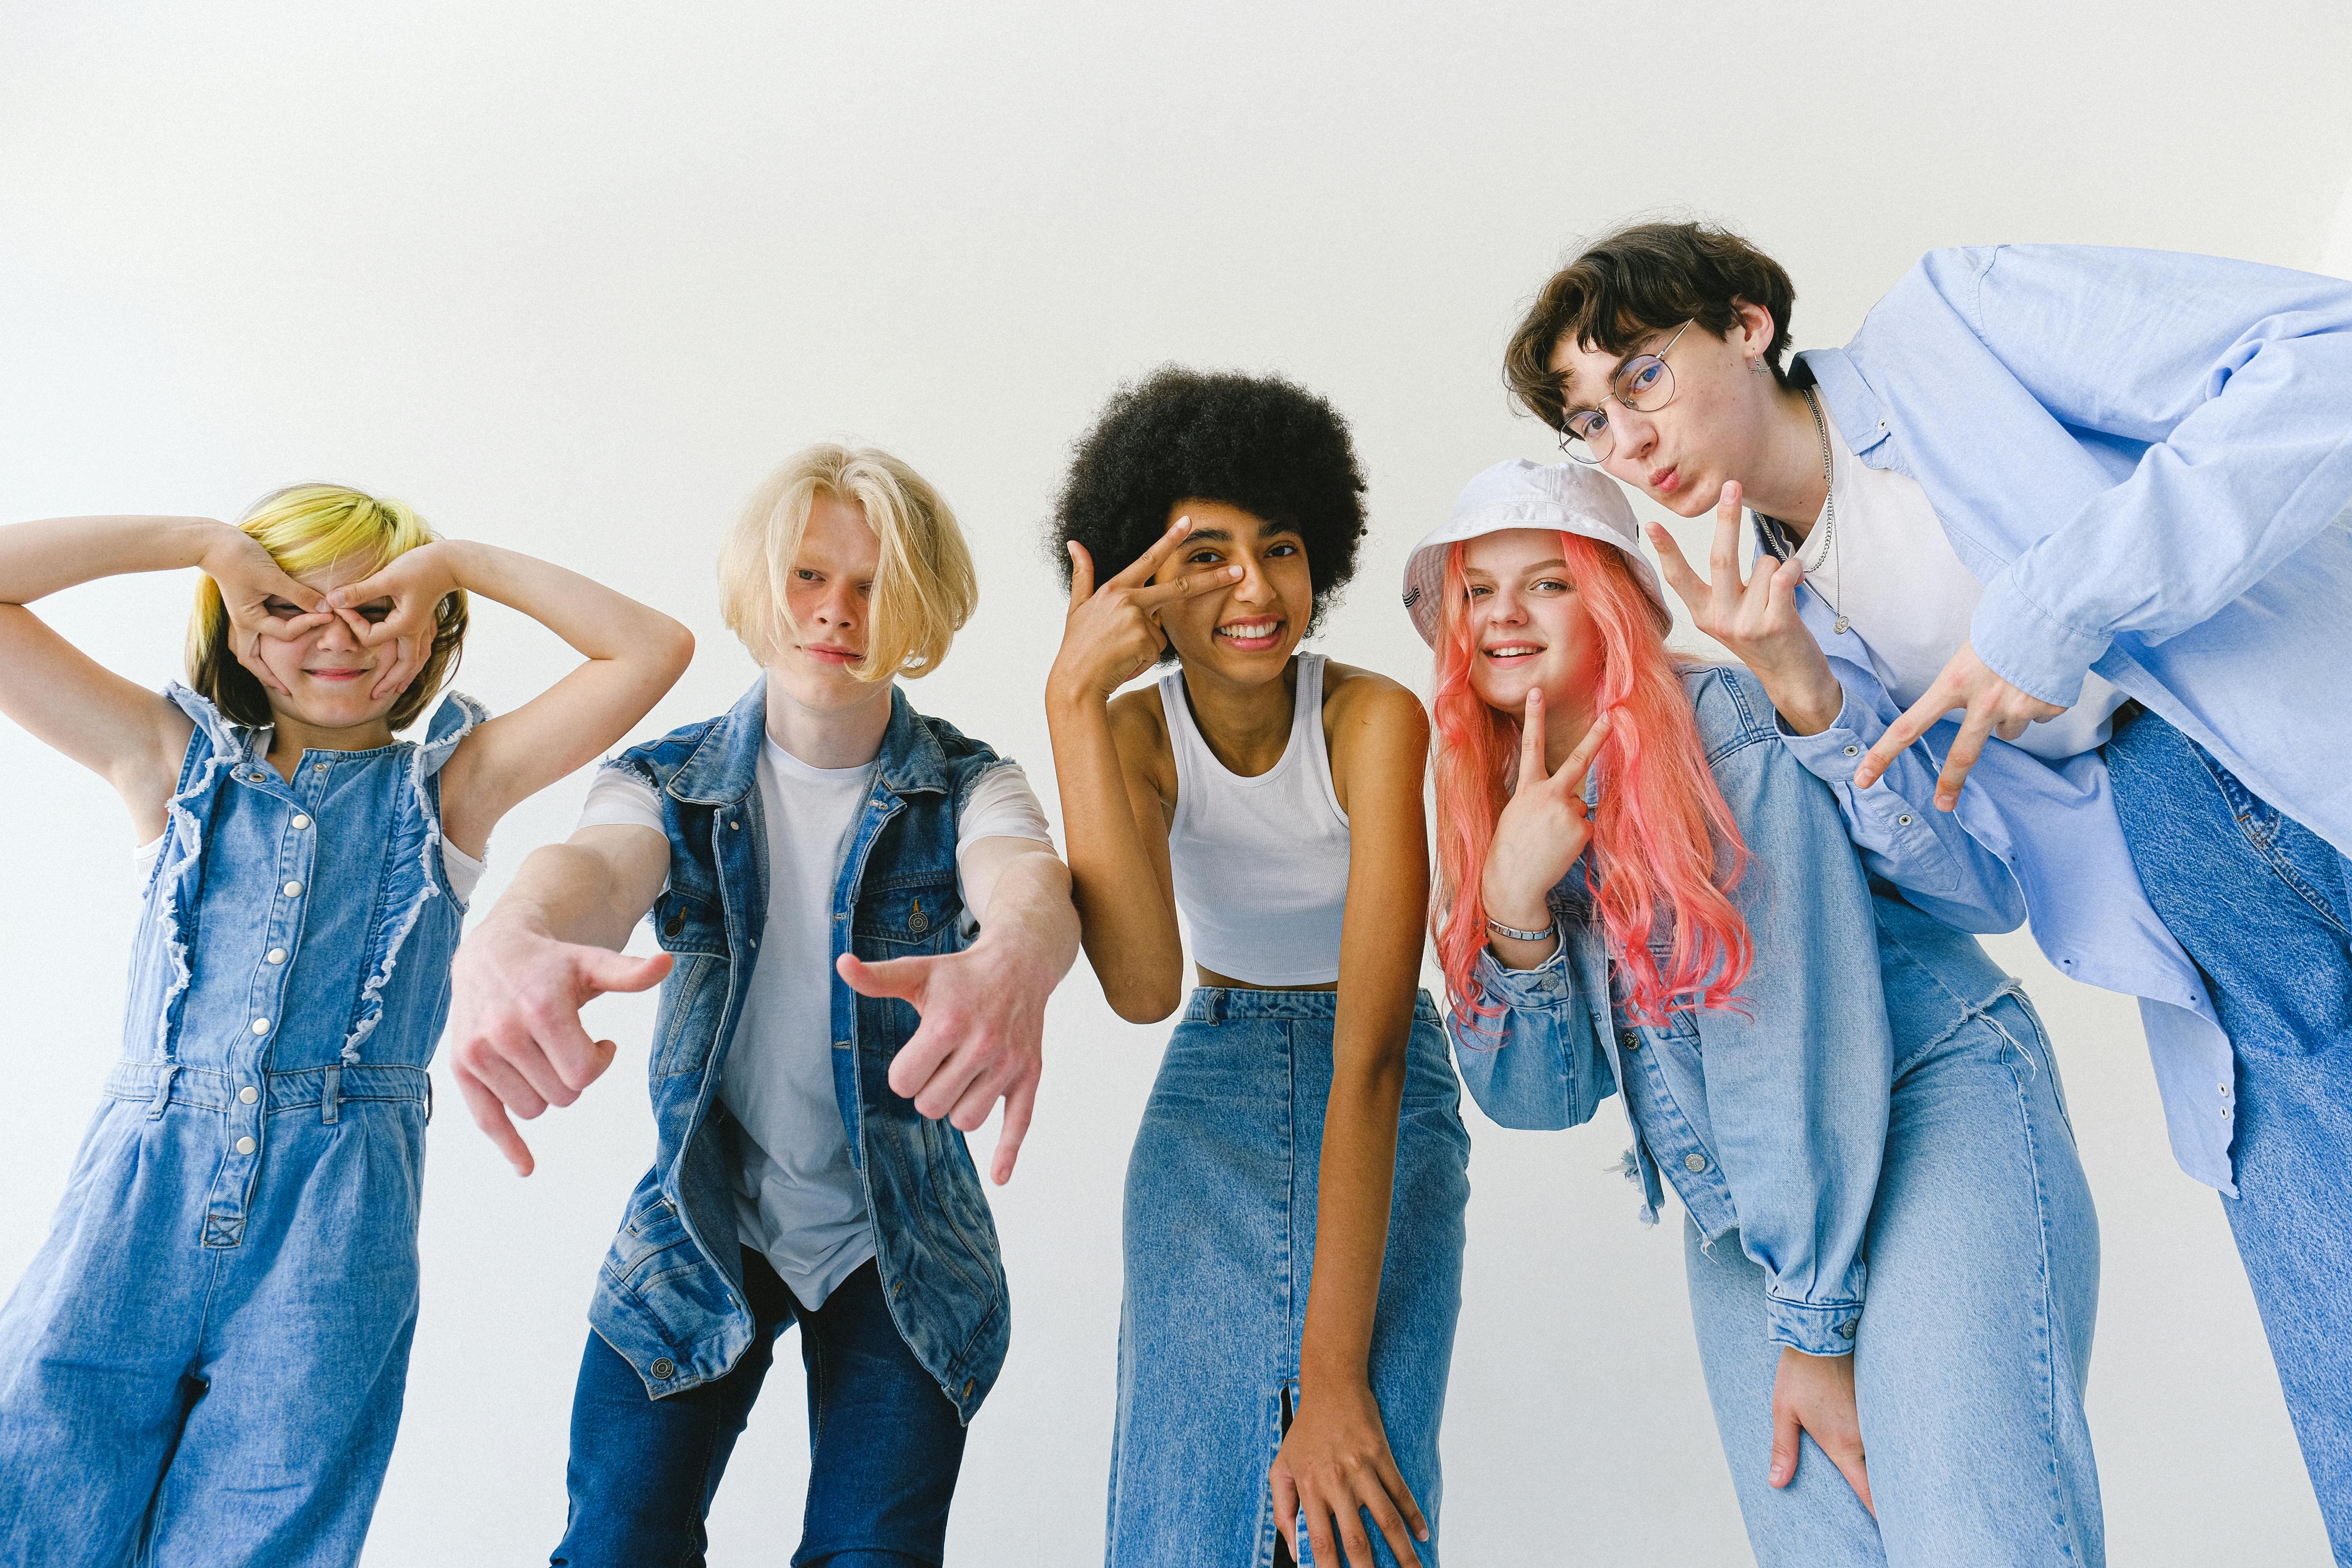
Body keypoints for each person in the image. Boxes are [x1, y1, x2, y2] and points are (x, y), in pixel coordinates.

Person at [1502, 222, 2352, 1551]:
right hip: (2200, 900)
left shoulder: (1955, 326)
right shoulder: (1788, 613)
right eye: (1591, 421)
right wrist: (1804, 693)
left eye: (1643, 376)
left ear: (1748, 322)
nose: (1627, 439)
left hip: (2309, 747)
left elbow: (2326, 361)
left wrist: (2044, 614)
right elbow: (1979, 891)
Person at [1414, 459, 2102, 1565]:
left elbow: (1784, 1026)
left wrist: (1815, 1325)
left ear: (1613, 601)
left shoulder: (1716, 727)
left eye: (1545, 583)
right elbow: (1538, 1103)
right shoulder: (1492, 799)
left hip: (1924, 1100)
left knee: (1976, 1532)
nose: (1503, 615)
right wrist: (1510, 902)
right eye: (1476, 591)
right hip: (1754, 1199)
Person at [0, 487, 692, 1566]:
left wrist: (455, 562)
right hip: (142, 1188)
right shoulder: (163, 760)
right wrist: (202, 544)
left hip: (337, 1218)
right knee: (35, 1497)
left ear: (429, 636)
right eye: (289, 606)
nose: (333, 635)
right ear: (238, 620)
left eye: (374, 611)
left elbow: (649, 649)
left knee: (267, 1529)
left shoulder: (454, 791)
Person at [447, 444, 1079, 1568]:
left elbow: (1027, 885)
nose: (836, 612)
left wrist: (1016, 961)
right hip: (705, 1226)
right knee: (614, 1547)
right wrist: (514, 929)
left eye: (872, 583)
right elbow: (595, 869)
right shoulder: (667, 777)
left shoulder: (974, 784)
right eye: (807, 576)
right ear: (759, 585)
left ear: (920, 608)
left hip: (903, 1250)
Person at [1044, 368, 1467, 1568]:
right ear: (1140, 583)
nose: (1252, 588)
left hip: (1386, 1086)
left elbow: (1373, 1057)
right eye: (1203, 555)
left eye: (1278, 549)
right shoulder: (1131, 734)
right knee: (1181, 1510)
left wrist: (1331, 1380)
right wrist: (1073, 696)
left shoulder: (1376, 720)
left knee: (1361, 1499)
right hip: (1209, 1088)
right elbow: (1139, 987)